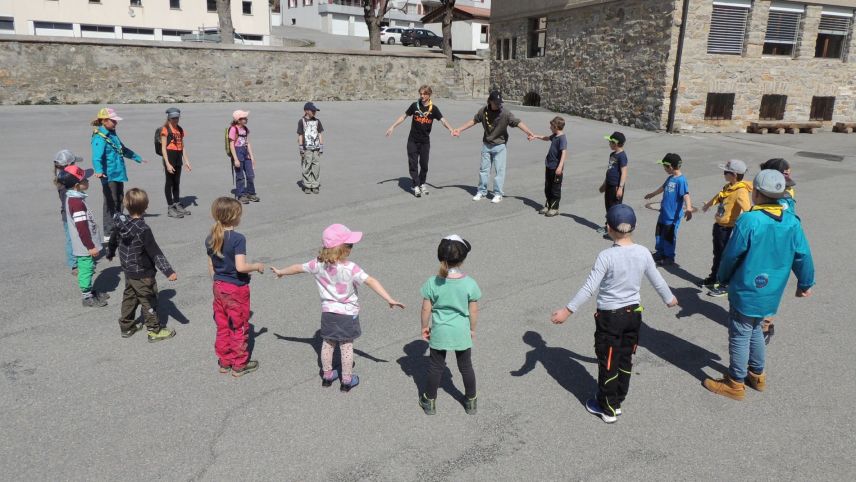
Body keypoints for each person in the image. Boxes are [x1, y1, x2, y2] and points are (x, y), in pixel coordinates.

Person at [550, 204, 678, 423]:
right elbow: (657, 278)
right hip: (633, 315)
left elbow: (589, 288)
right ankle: (617, 399)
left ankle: (607, 407)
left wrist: (567, 310)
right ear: (633, 227)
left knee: (608, 359)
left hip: (611, 318)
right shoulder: (643, 252)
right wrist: (669, 298)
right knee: (625, 357)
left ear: (608, 227)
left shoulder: (606, 256)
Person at [703, 170, 815, 401]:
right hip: (772, 291)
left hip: (747, 289)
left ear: (759, 194)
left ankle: (735, 382)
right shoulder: (792, 221)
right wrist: (805, 283)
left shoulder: (750, 219)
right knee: (756, 328)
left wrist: (722, 279)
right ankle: (757, 374)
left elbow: (731, 255)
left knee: (740, 333)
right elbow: (802, 254)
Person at [271, 224, 405, 392]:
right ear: (343, 249)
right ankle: (347, 379)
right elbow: (370, 281)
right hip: (348, 314)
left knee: (327, 343)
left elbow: (297, 267)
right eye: (350, 245)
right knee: (346, 346)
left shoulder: (317, 264)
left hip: (328, 313)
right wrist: (389, 299)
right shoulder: (350, 268)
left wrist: (282, 272)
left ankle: (327, 375)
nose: (351, 248)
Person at [418, 235, 481, 415]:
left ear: (440, 257)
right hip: (461, 331)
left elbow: (425, 309)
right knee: (466, 366)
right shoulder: (469, 283)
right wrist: (472, 329)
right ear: (462, 259)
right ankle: (471, 401)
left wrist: (424, 326)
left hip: (440, 331)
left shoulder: (433, 282)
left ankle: (429, 401)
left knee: (436, 366)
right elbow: (474, 311)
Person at [106, 188, 178, 341]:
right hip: (143, 273)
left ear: (126, 204)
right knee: (148, 300)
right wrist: (168, 270)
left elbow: (112, 239)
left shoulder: (121, 223)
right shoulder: (143, 229)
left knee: (130, 298)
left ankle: (127, 327)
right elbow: (155, 252)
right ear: (146, 206)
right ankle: (154, 330)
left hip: (128, 270)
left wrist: (110, 253)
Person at [206, 197, 265, 377]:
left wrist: (218, 282)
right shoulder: (238, 239)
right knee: (238, 325)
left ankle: (225, 361)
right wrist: (256, 266)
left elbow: (211, 266)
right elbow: (240, 267)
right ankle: (239, 364)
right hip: (235, 289)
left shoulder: (211, 237)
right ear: (234, 217)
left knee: (223, 325)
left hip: (218, 286)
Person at [453, 91, 535, 204]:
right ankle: (482, 191)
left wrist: (529, 133)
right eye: (496, 103)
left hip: (500, 146)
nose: (499, 104)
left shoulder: (505, 113)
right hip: (487, 145)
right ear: (490, 101)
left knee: (499, 171)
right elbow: (474, 121)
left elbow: (517, 122)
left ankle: (498, 194)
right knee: (483, 170)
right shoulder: (483, 111)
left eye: (500, 102)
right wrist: (459, 129)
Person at [385, 85, 454, 197]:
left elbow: (443, 120)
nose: (422, 96)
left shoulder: (434, 109)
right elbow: (404, 116)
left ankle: (422, 183)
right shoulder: (414, 106)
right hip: (412, 140)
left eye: (424, 94)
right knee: (413, 163)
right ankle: (416, 185)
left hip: (425, 141)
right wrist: (392, 126)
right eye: (420, 94)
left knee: (424, 164)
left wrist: (451, 129)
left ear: (429, 94)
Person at [756, 158, 797, 343]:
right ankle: (764, 321)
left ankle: (765, 325)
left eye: (789, 172)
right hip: (772, 245)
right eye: (786, 172)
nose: (789, 175)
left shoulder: (784, 197)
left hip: (775, 248)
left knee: (767, 284)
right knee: (764, 284)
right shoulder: (780, 192)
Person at [91, 107, 146, 241]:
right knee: (110, 202)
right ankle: (109, 233)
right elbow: (96, 157)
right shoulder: (100, 136)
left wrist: (137, 157)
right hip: (108, 175)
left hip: (118, 173)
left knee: (120, 200)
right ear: (104, 121)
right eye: (113, 121)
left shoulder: (112, 134)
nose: (116, 123)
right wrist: (98, 171)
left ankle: (119, 226)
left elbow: (123, 149)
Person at [700, 160, 752, 297]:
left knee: (725, 257)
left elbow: (747, 210)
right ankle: (714, 278)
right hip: (719, 226)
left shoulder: (741, 191)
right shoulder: (728, 186)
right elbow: (719, 196)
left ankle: (724, 284)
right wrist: (708, 204)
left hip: (728, 229)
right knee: (718, 254)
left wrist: (745, 225)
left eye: (725, 172)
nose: (723, 174)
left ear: (734, 175)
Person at [62, 165, 109, 308]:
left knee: (88, 267)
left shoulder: (74, 198)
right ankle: (86, 296)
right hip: (84, 245)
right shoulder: (76, 203)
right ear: (77, 185)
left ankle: (90, 290)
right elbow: (81, 228)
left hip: (85, 243)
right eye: (85, 180)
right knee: (86, 268)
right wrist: (90, 246)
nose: (88, 181)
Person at [644, 153, 693, 266]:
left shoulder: (681, 180)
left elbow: (686, 195)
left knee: (669, 236)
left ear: (670, 166)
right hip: (664, 213)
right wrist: (653, 194)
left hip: (672, 216)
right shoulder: (670, 178)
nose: (664, 169)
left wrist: (689, 208)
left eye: (664, 166)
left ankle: (669, 257)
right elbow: (663, 187)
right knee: (659, 233)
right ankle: (660, 252)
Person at [529, 116, 568, 217]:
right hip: (549, 165)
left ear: (555, 126)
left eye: (551, 126)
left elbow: (564, 153)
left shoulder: (562, 138)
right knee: (548, 186)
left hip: (556, 167)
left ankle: (554, 208)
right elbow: (546, 138)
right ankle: (548, 205)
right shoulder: (555, 135)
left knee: (555, 188)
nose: (549, 127)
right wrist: (535, 136)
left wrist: (560, 167)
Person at [53, 149, 83, 275]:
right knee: (72, 239)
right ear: (69, 166)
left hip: (70, 214)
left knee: (77, 237)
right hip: (69, 215)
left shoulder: (63, 179)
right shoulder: (65, 185)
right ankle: (74, 264)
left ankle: (80, 258)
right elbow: (69, 202)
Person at [160, 107, 192, 218]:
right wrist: (167, 164)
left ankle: (177, 203)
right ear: (169, 118)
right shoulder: (165, 129)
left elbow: (182, 146)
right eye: (173, 118)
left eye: (177, 118)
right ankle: (170, 207)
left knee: (176, 182)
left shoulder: (180, 129)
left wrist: (186, 161)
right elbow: (163, 148)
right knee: (169, 183)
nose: (175, 120)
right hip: (169, 156)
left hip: (178, 157)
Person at [597, 132, 628, 236]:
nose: (609, 143)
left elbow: (624, 172)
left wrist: (620, 188)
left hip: (616, 186)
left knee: (615, 208)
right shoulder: (612, 154)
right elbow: (609, 170)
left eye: (610, 141)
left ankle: (615, 230)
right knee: (608, 206)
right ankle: (608, 226)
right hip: (609, 184)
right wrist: (604, 184)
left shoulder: (622, 156)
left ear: (616, 143)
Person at [228, 110, 259, 204]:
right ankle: (241, 195)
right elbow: (231, 144)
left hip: (245, 153)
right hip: (238, 153)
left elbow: (247, 142)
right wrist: (236, 159)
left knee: (250, 175)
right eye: (244, 118)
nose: (246, 119)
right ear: (238, 120)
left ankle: (251, 193)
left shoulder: (245, 129)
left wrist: (252, 156)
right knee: (240, 176)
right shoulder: (233, 129)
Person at [297, 102, 324, 194]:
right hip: (306, 149)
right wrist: (301, 148)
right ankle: (308, 185)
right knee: (307, 166)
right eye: (313, 111)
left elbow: (320, 134)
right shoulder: (302, 122)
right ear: (306, 111)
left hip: (316, 149)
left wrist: (321, 146)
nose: (314, 112)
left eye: (315, 111)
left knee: (316, 167)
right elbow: (300, 135)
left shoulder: (317, 121)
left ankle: (315, 185)